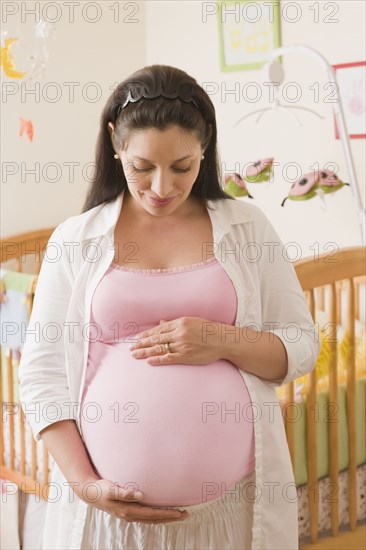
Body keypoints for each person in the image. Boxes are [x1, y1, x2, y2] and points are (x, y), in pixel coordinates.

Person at [19, 64, 320, 550]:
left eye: (182, 167)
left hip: (231, 517)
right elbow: (41, 375)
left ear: (205, 147)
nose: (162, 188)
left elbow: (301, 347)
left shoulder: (247, 228)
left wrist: (219, 339)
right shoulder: (76, 239)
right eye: (142, 167)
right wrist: (83, 482)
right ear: (115, 142)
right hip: (107, 523)